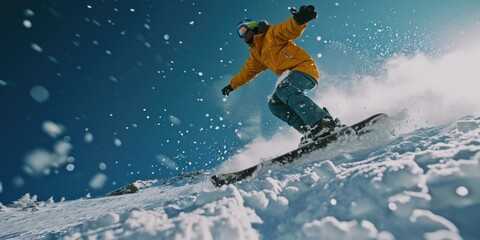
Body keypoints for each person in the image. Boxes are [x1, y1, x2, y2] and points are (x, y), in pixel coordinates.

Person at [221, 5, 343, 146]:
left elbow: (287, 29)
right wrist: (231, 85)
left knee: (283, 89)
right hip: (290, 77)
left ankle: (322, 122)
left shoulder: (271, 34)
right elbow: (246, 73)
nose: (243, 36)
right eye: (239, 34)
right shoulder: (256, 55)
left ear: (252, 26)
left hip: (304, 69)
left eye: (243, 30)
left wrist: (298, 21)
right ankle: (310, 130)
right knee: (274, 104)